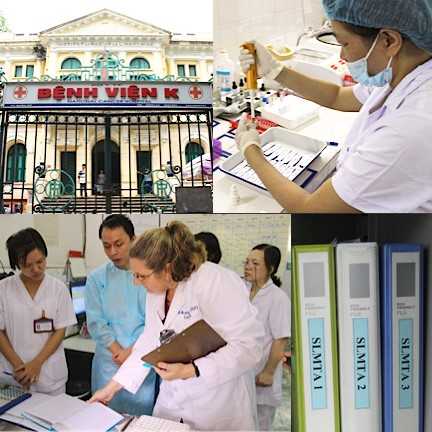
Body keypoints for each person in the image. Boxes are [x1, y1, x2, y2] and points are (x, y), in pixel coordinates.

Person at [237, 0, 432, 213]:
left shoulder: (411, 126)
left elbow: (309, 209)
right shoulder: (403, 70)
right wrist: (276, 71)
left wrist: (250, 152)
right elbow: (338, 96)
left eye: (345, 43)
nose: (342, 55)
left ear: (389, 40)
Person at [90, 221, 264, 430]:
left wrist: (192, 370)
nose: (136, 282)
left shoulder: (213, 281)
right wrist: (112, 387)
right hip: (172, 402)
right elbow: (150, 342)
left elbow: (250, 346)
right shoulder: (157, 291)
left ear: (167, 269)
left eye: (141, 276)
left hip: (216, 402)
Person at [85, 215, 156, 415]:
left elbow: (154, 323)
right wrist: (118, 351)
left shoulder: (149, 276)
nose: (113, 252)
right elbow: (96, 322)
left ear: (133, 239)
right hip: (108, 362)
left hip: (140, 359)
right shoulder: (97, 278)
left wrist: (131, 352)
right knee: (103, 417)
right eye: (106, 246)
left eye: (118, 244)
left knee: (139, 420)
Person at [0, 228, 76, 395]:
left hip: (50, 377)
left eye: (40, 262)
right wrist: (19, 366)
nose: (35, 269)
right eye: (27, 265)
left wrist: (36, 364)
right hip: (15, 376)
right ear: (16, 263)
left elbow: (60, 330)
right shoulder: (3, 289)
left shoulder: (58, 289)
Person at [244, 244, 290, 431]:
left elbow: (280, 339)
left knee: (260, 426)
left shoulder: (278, 298)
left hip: (262, 377)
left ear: (270, 269)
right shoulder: (243, 290)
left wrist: (269, 372)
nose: (248, 266)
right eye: (247, 262)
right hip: (244, 374)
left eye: (255, 263)